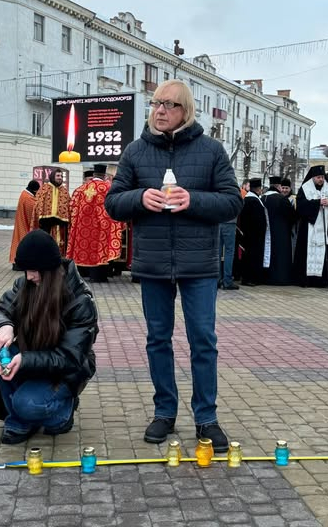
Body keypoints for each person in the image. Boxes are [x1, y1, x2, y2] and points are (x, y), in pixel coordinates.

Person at [104, 79, 243, 453]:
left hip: (198, 265)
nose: (160, 110)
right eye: (155, 103)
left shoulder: (212, 150)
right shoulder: (135, 151)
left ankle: (206, 418)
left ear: (186, 111)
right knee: (157, 340)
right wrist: (139, 197)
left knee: (203, 341)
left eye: (169, 104)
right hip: (151, 264)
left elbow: (232, 203)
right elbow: (113, 203)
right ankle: (164, 412)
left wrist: (192, 200)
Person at [0, 229, 98, 445]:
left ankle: (63, 411)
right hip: (34, 358)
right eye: (26, 270)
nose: (29, 276)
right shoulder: (24, 285)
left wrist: (25, 360)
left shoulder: (80, 301)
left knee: (27, 403)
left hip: (65, 372)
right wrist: (4, 325)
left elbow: (69, 358)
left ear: (51, 270)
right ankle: (21, 419)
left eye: (34, 270)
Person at [67, 164, 124, 283]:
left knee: (85, 249)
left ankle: (82, 274)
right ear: (104, 175)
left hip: (82, 227)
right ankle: (98, 276)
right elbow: (112, 206)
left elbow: (72, 208)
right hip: (100, 226)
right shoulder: (107, 188)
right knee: (99, 251)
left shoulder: (81, 189)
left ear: (93, 174)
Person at [293, 165, 328, 287]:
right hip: (308, 229)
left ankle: (321, 280)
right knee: (306, 254)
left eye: (322, 177)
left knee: (322, 253)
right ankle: (305, 280)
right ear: (313, 177)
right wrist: (317, 203)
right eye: (318, 177)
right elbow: (301, 206)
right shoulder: (305, 188)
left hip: (323, 229)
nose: (321, 179)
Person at [261, 176, 296, 285]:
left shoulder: (262, 198)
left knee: (268, 254)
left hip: (266, 232)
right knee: (280, 256)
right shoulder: (281, 199)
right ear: (279, 186)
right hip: (281, 232)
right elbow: (292, 216)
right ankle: (281, 278)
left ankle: (266, 277)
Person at [31, 168, 71, 255]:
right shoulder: (44, 189)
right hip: (46, 223)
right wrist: (41, 218)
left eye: (61, 176)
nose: (60, 178)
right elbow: (38, 205)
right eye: (58, 176)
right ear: (53, 176)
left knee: (60, 244)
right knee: (45, 244)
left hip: (61, 224)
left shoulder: (64, 191)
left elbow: (68, 207)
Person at [239, 177, 269, 286]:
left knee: (249, 256)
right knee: (252, 257)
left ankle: (248, 278)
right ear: (258, 189)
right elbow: (257, 220)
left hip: (249, 234)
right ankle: (249, 279)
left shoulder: (249, 198)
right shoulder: (253, 200)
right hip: (254, 235)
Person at [9, 180, 40, 270]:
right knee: (23, 244)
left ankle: (16, 263)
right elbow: (33, 214)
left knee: (18, 242)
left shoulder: (24, 194)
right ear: (34, 190)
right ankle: (19, 263)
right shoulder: (28, 198)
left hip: (21, 223)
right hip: (25, 225)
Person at [218, 218, 239, 290]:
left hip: (217, 222)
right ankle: (227, 281)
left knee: (217, 252)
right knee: (229, 252)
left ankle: (217, 280)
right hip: (230, 222)